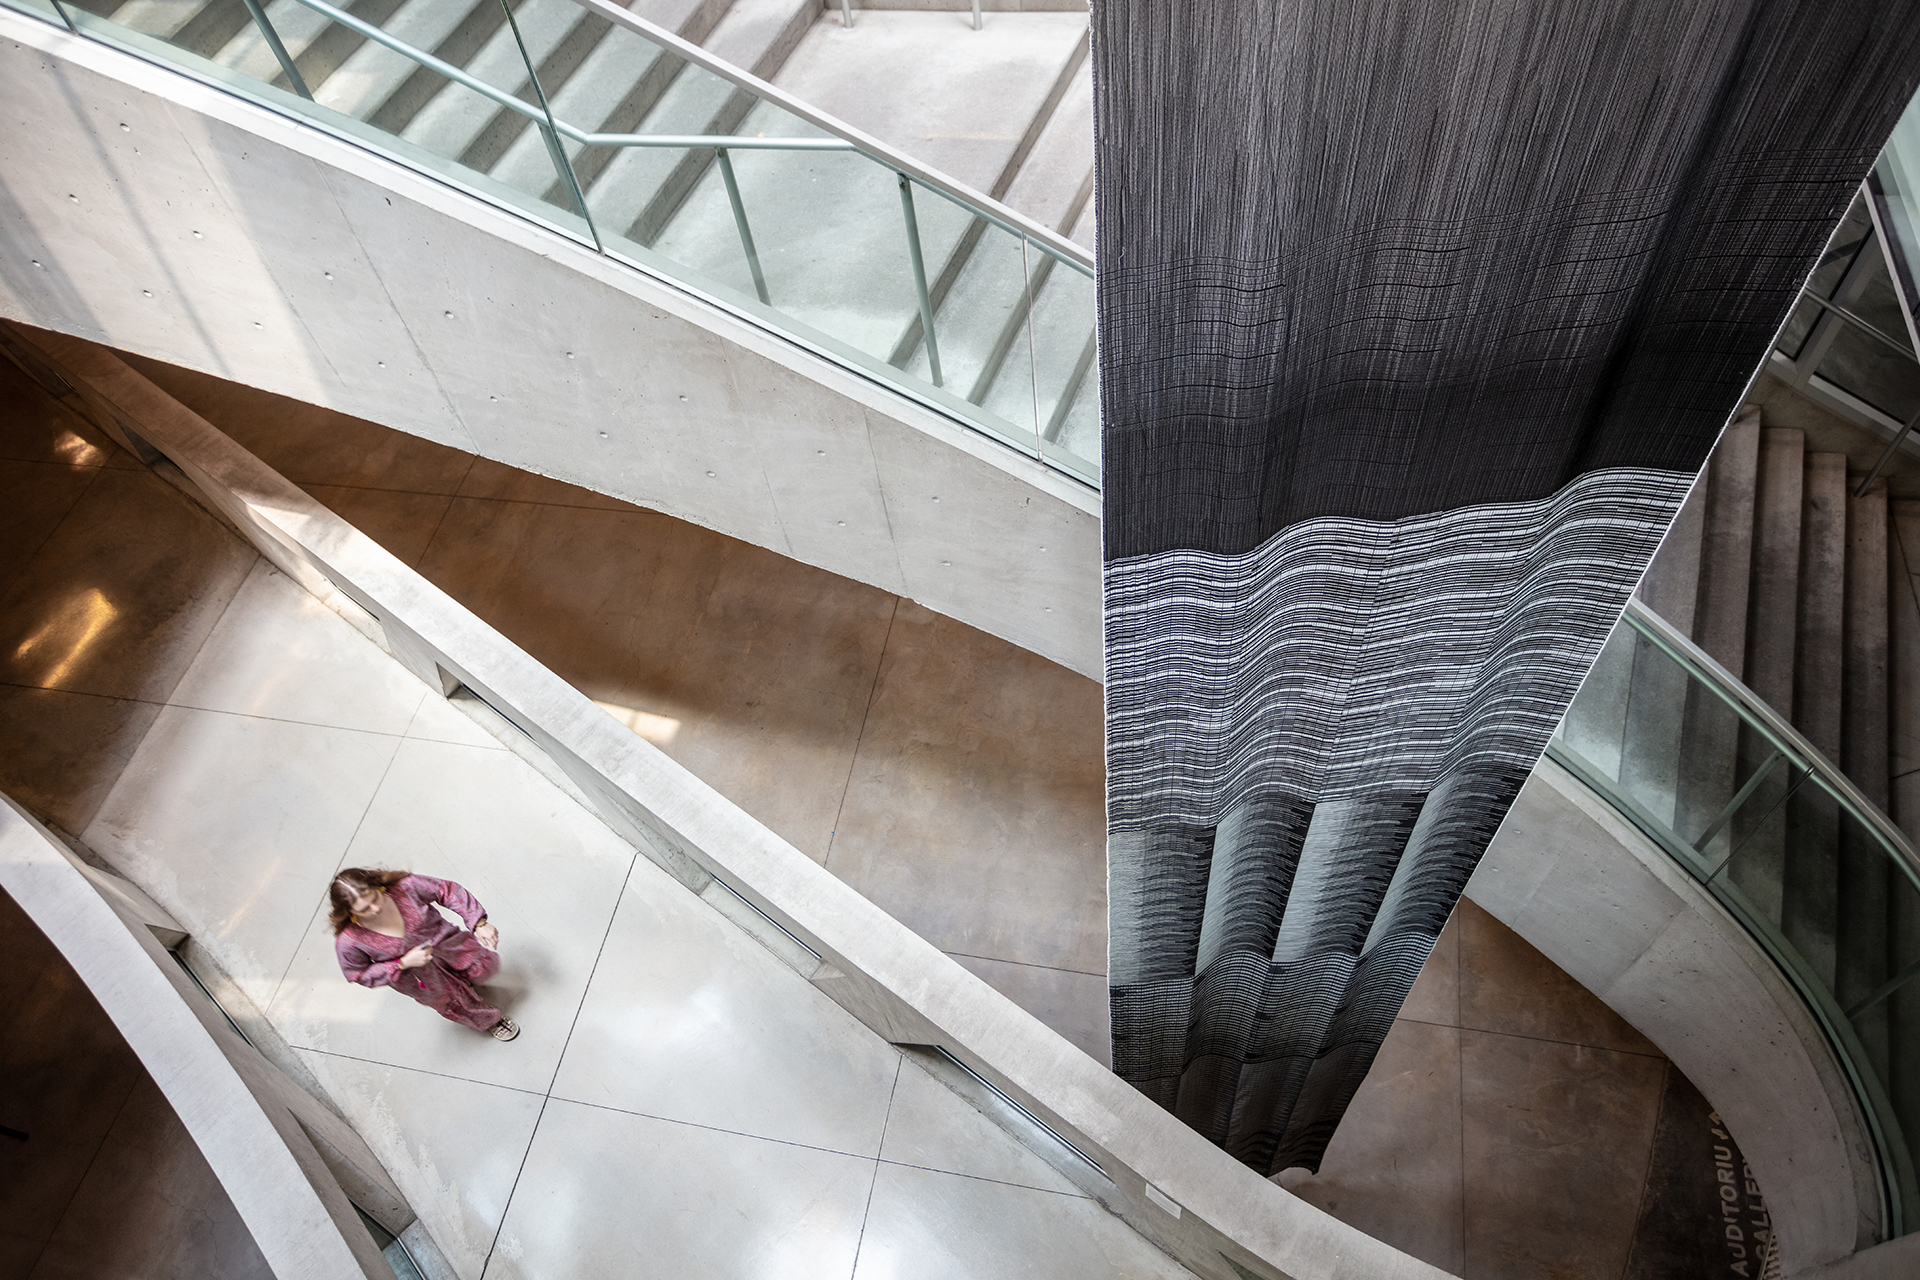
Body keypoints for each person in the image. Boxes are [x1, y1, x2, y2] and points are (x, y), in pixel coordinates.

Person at [329, 868, 519, 1041]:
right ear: (348, 912)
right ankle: (490, 1021)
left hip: (451, 946)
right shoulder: (350, 941)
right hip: (421, 979)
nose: (375, 909)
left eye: (375, 898)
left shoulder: (406, 887)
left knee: (482, 967)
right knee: (456, 1002)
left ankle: (468, 981)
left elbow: (447, 890)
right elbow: (358, 973)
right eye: (364, 910)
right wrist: (401, 964)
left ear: (377, 885)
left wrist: (479, 923)